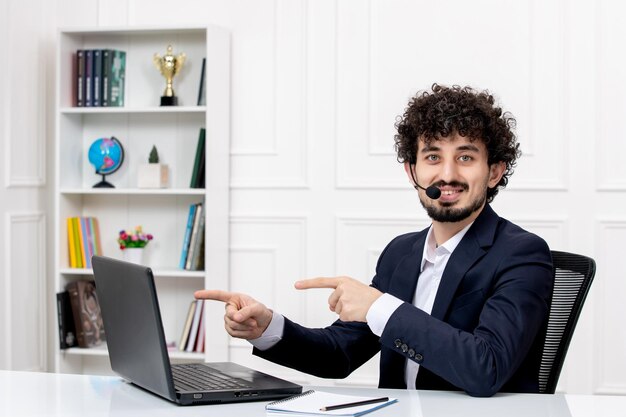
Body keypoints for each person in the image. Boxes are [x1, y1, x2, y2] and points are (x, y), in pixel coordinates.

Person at [195, 84, 553, 397]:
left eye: (465, 157)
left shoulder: (522, 254)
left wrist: (379, 306)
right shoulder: (402, 252)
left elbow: (485, 368)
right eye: (432, 156)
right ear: (412, 171)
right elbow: (340, 354)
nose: (447, 174)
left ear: (494, 172)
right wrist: (267, 328)